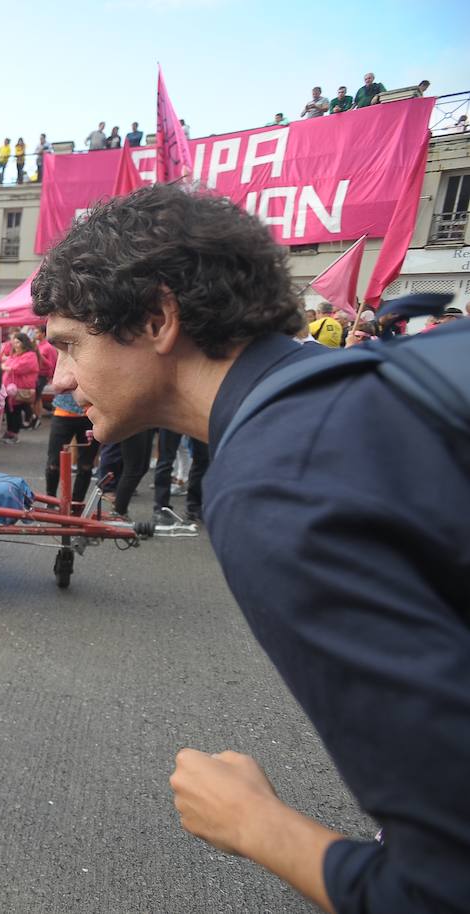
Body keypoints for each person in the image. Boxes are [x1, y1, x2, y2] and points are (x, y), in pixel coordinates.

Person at [33, 182, 470, 914]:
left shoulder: (275, 485)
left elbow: (443, 890)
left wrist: (257, 825)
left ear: (157, 317)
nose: (62, 380)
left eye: (71, 344)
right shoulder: (382, 384)